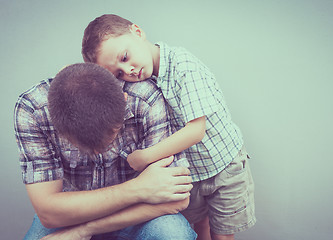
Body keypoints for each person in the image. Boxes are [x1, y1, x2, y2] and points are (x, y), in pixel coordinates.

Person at [82, 14, 256, 240]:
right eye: (118, 73)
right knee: (197, 226)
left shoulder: (183, 66)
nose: (129, 71)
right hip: (192, 170)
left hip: (224, 164)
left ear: (137, 32)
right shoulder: (141, 79)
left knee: (221, 233)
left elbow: (196, 130)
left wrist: (145, 157)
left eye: (125, 57)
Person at [14, 62, 196, 239]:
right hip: (72, 214)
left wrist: (86, 229)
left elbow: (178, 200)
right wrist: (138, 188)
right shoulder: (32, 109)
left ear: (124, 101)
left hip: (137, 213)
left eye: (112, 135)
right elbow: (49, 212)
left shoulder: (144, 98)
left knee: (173, 234)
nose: (98, 152)